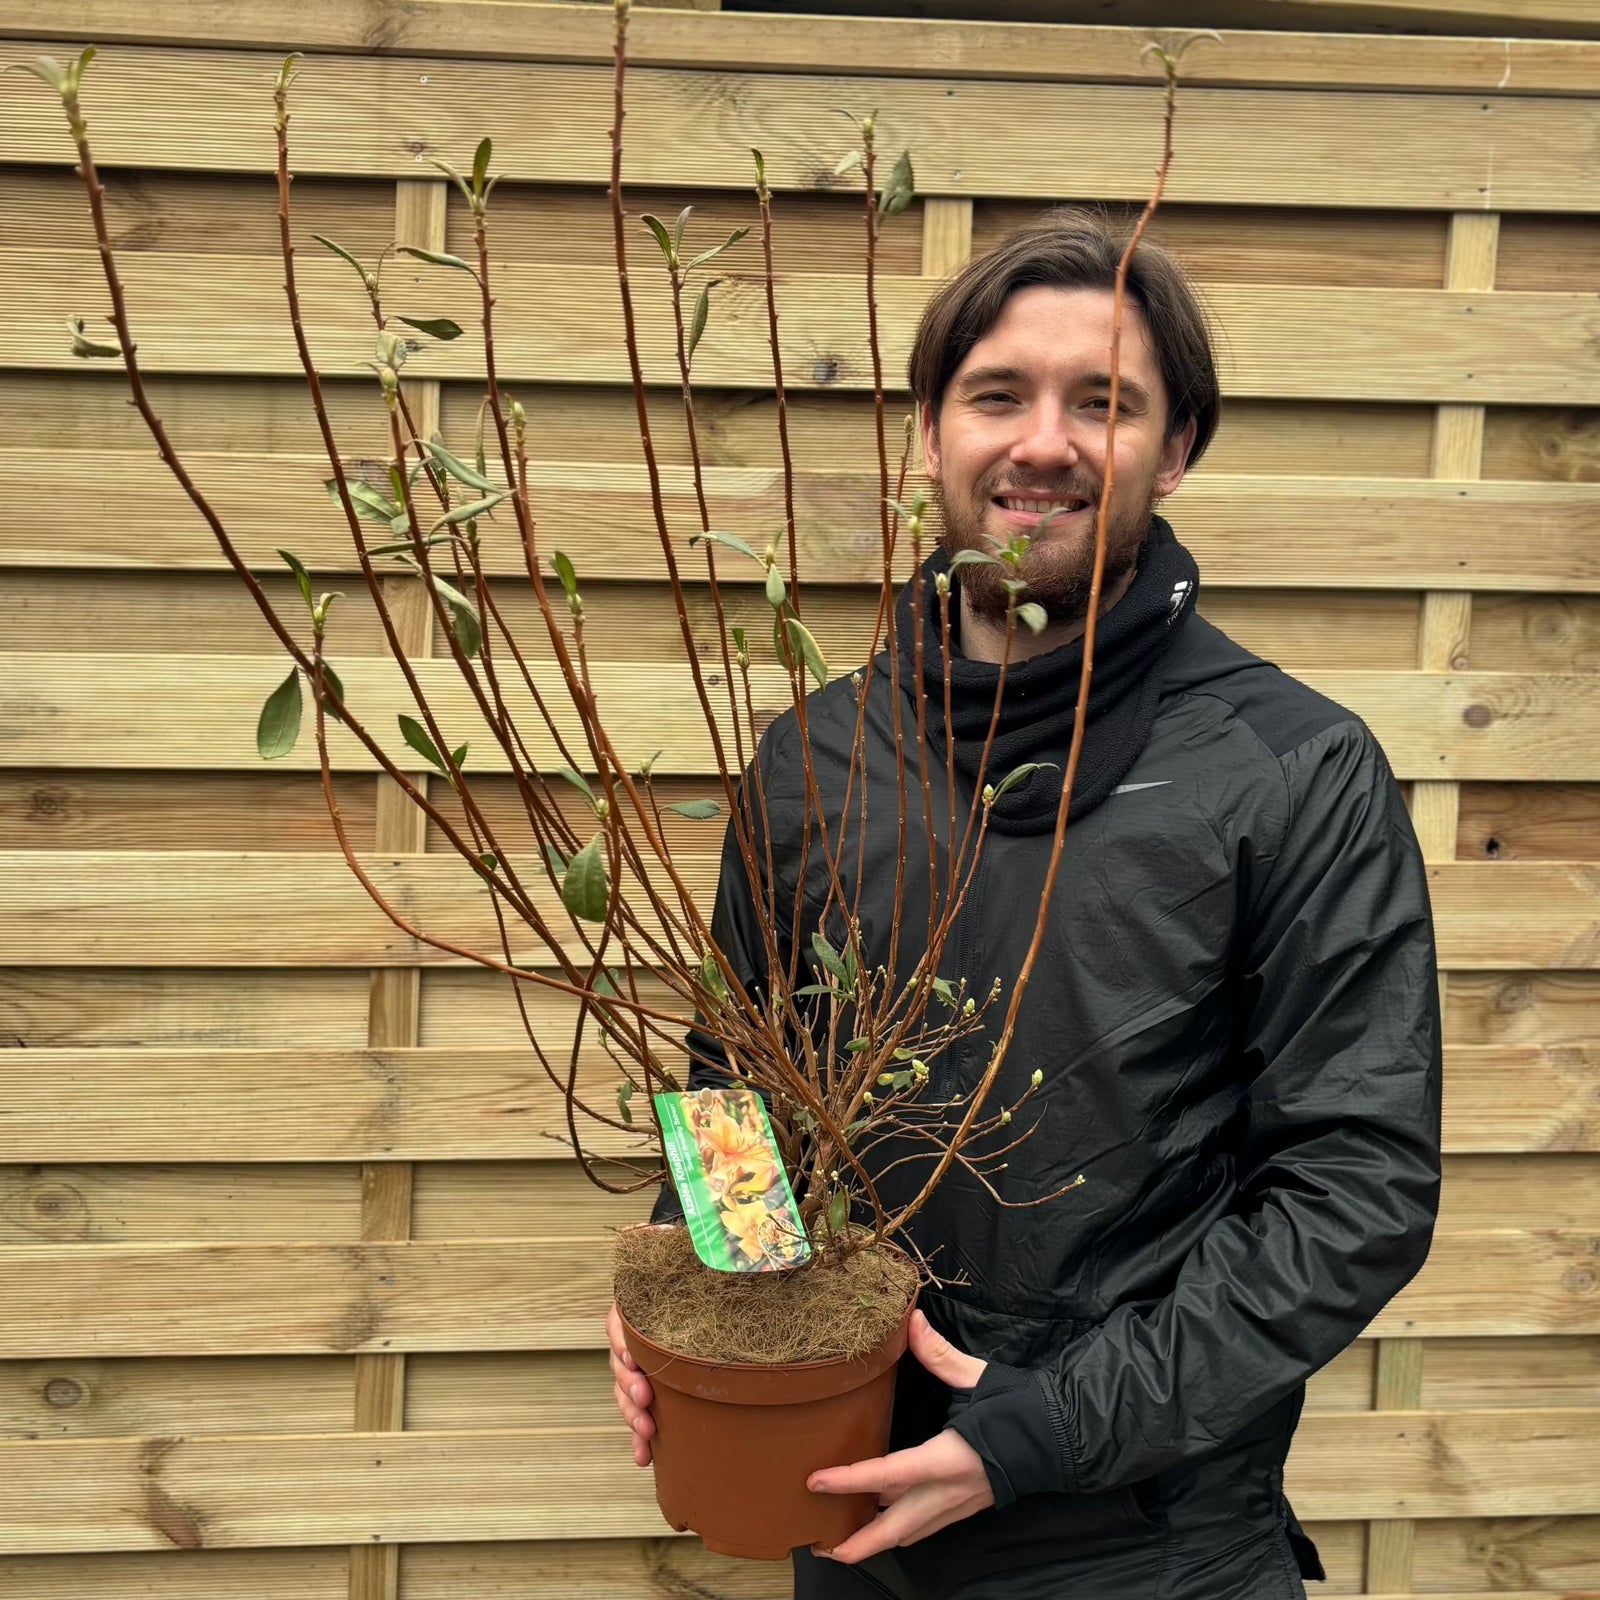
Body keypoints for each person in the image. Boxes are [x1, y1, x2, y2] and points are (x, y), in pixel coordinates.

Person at [608, 210, 1443, 1600]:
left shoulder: (1293, 770)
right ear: (932, 436)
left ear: (1174, 453)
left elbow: (1356, 1185)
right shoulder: (818, 756)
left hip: (1152, 1543)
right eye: (998, 395)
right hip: (848, 1508)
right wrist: (711, 1305)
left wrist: (1048, 1429)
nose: (1043, 442)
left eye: (1103, 403)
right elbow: (735, 1089)